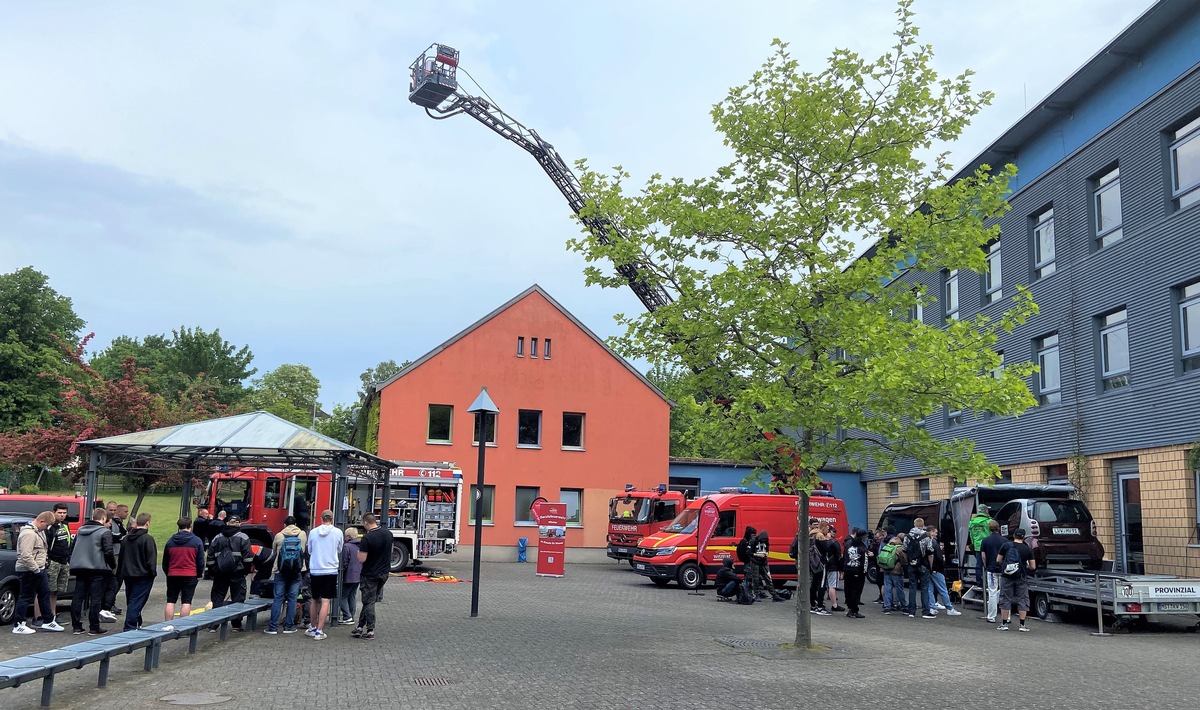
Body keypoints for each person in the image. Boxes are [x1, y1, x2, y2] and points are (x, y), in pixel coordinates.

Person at [13, 511, 65, 634]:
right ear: (41, 521)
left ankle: (48, 621)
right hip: (29, 570)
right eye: (46, 525)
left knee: (45, 593)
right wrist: (36, 569)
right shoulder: (29, 534)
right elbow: (26, 555)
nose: (46, 528)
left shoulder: (38, 531)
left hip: (38, 568)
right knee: (25, 596)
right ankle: (19, 624)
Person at [70, 508, 115, 635]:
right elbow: (108, 551)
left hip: (80, 567)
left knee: (78, 597)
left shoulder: (80, 530)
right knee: (96, 598)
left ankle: (76, 626)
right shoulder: (104, 532)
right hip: (98, 568)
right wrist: (112, 565)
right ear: (104, 518)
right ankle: (94, 627)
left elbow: (73, 547)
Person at [207, 514, 253, 631]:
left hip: (220, 574)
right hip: (237, 573)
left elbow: (210, 557)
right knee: (238, 598)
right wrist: (245, 571)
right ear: (239, 524)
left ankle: (214, 624)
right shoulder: (243, 537)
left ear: (227, 523)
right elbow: (248, 558)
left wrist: (213, 571)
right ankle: (236, 624)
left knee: (217, 598)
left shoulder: (217, 538)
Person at [266, 515, 308, 635]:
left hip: (280, 571)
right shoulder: (302, 535)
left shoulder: (279, 535)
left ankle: (273, 627)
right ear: (295, 524)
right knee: (292, 599)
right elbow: (303, 550)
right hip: (296, 571)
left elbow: (274, 551)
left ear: (285, 525)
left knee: (278, 598)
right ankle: (288, 627)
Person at [306, 510, 343, 640]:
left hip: (315, 568)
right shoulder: (338, 532)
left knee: (314, 599)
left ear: (321, 518)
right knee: (326, 600)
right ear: (332, 519)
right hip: (330, 569)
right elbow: (339, 549)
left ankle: (312, 627)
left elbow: (309, 550)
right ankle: (320, 631)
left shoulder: (313, 532)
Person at [352, 513, 389, 641]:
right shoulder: (388, 534)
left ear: (366, 523)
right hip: (384, 574)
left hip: (369, 575)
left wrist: (358, 553)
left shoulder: (367, 538)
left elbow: (362, 558)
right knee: (369, 600)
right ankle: (360, 627)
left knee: (368, 602)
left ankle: (370, 630)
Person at [118, 513, 157, 631]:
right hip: (143, 574)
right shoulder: (147, 539)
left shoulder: (126, 539)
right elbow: (151, 558)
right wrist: (152, 572)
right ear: (147, 523)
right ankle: (129, 626)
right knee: (137, 601)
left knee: (131, 599)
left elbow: (121, 557)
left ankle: (137, 621)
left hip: (128, 573)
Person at [162, 516, 205, 622]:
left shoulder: (171, 541)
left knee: (171, 600)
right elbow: (200, 561)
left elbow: (165, 561)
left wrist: (168, 572)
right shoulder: (196, 541)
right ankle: (182, 626)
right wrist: (199, 574)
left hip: (173, 574)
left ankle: (167, 624)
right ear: (190, 526)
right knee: (186, 601)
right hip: (190, 574)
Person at [996, 528, 1036, 631]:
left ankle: (1004, 624)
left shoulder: (1005, 546)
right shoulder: (1027, 549)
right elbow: (1033, 566)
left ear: (1014, 535)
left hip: (1007, 576)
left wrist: (1007, 567)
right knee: (1022, 599)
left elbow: (998, 560)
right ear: (1023, 537)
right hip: (1021, 576)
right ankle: (1022, 625)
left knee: (1005, 598)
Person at [44, 502, 73, 624]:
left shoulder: (65, 525)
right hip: (52, 561)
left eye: (64, 513)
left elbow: (68, 541)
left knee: (56, 590)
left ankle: (53, 615)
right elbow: (46, 545)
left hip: (63, 561)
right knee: (46, 590)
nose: (62, 515)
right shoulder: (50, 527)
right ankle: (40, 617)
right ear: (54, 512)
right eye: (59, 513)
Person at [924, 526, 961, 616]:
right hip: (936, 569)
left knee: (930, 589)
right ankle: (949, 608)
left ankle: (932, 607)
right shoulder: (933, 542)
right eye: (935, 532)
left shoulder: (924, 541)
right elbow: (939, 557)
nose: (936, 534)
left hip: (927, 569)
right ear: (931, 532)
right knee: (942, 589)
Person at [102, 502, 128, 619]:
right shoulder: (110, 523)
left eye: (114, 510)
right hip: (113, 554)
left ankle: (110, 603)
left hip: (117, 553)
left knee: (116, 580)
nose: (112, 512)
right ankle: (108, 605)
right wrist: (123, 536)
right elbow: (114, 537)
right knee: (113, 581)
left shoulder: (116, 522)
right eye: (111, 510)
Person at [906, 518, 936, 619]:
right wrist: (930, 566)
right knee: (924, 588)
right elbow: (930, 552)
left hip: (911, 564)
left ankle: (911, 611)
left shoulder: (908, 536)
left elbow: (904, 550)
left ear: (914, 524)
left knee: (912, 587)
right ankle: (925, 611)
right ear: (923, 525)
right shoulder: (927, 536)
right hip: (923, 565)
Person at [979, 520, 1008, 623]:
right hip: (1003, 569)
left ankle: (991, 616)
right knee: (1004, 592)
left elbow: (983, 556)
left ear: (989, 529)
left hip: (991, 569)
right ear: (999, 528)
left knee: (992, 592)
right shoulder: (1005, 540)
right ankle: (1006, 617)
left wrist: (986, 565)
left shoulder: (985, 540)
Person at [751, 529, 785, 602]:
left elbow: (767, 550)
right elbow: (749, 553)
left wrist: (766, 555)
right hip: (755, 562)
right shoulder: (754, 541)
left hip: (763, 562)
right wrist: (758, 555)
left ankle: (774, 594)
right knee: (756, 579)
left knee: (768, 579)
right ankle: (756, 594)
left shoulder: (766, 542)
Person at [879, 534, 907, 615]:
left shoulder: (886, 547)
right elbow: (904, 561)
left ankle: (887, 607)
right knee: (899, 589)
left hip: (886, 569)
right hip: (896, 571)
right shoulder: (899, 549)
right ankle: (904, 606)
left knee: (888, 589)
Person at [340, 528, 363, 625]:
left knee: (342, 597)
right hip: (358, 575)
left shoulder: (346, 546)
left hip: (349, 575)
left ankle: (347, 616)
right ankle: (351, 615)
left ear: (348, 536)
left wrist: (341, 572)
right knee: (352, 596)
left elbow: (344, 562)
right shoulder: (360, 545)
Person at [967, 505, 992, 584]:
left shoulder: (972, 522)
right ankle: (989, 581)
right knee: (989, 563)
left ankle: (979, 581)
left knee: (978, 564)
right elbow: (992, 533)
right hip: (988, 546)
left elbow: (971, 535)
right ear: (985, 511)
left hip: (977, 545)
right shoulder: (989, 521)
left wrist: (973, 544)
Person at [808, 527, 830, 615]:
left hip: (813, 562)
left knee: (814, 583)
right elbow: (827, 549)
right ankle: (820, 606)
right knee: (822, 584)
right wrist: (827, 540)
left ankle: (813, 604)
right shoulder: (820, 536)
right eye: (827, 529)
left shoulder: (810, 535)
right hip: (821, 563)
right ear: (823, 528)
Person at [824, 524, 844, 613]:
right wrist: (841, 569)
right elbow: (838, 556)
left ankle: (819, 603)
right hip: (833, 566)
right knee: (832, 586)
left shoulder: (822, 541)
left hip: (824, 566)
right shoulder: (833, 542)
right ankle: (834, 604)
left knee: (822, 585)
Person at [735, 526, 759, 596]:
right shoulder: (744, 541)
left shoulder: (753, 541)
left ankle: (752, 592)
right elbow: (744, 552)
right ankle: (747, 593)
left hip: (753, 562)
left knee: (755, 578)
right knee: (748, 578)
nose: (754, 536)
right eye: (753, 535)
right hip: (748, 562)